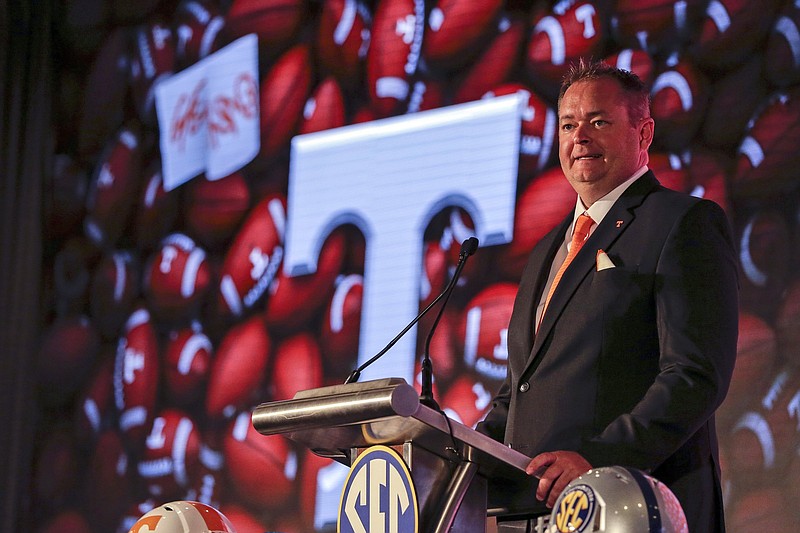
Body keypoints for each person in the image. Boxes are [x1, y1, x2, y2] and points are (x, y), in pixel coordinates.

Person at [478, 59, 738, 532]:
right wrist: (463, 452)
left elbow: (694, 375)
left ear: (644, 135)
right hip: (535, 517)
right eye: (569, 124)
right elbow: (520, 388)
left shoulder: (683, 223)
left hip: (635, 509)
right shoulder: (545, 252)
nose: (580, 137)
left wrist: (598, 462)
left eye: (599, 121)